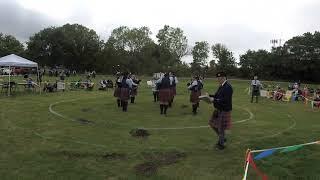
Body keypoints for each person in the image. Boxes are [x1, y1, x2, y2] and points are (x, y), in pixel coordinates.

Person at [208, 72, 233, 150]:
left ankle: (221, 145)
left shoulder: (228, 87)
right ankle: (222, 138)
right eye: (218, 78)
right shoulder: (221, 86)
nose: (218, 80)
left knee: (221, 128)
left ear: (224, 78)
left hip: (224, 110)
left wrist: (214, 100)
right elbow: (217, 95)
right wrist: (209, 95)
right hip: (218, 109)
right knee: (212, 124)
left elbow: (225, 100)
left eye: (219, 78)